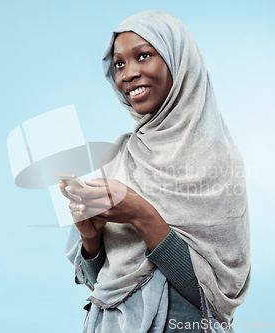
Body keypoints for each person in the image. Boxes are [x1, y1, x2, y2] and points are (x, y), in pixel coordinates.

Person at [60, 10, 251, 333]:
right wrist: (90, 237)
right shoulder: (121, 156)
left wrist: (142, 215)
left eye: (144, 56)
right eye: (119, 64)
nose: (128, 74)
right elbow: (102, 285)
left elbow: (213, 300)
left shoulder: (218, 160)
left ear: (178, 62)